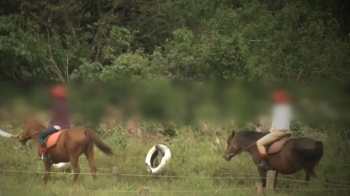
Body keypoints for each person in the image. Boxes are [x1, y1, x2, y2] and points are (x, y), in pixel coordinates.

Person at [256, 90, 292, 170]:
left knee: (259, 143)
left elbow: (275, 123)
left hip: (278, 131)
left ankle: (265, 163)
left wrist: (271, 130)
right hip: (287, 131)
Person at [38, 84, 70, 162]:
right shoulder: (66, 104)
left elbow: (54, 118)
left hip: (58, 126)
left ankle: (45, 154)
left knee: (41, 137)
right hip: (67, 126)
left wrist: (50, 123)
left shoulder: (56, 104)